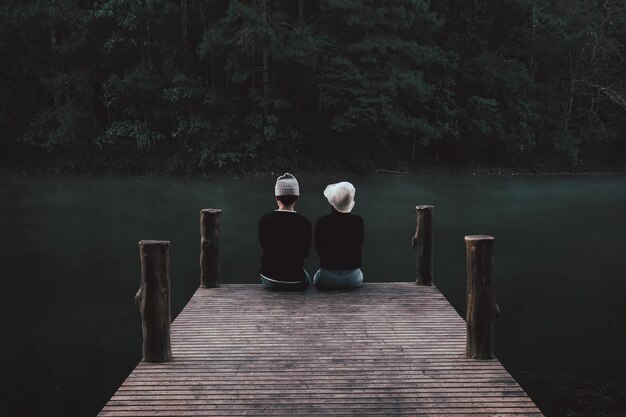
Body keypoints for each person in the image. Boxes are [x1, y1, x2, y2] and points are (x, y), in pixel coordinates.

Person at [258, 173, 312, 290]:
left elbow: (263, 245)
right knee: (308, 277)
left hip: (268, 278)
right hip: (295, 280)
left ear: (276, 197)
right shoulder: (305, 223)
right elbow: (305, 253)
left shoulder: (265, 219)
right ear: (297, 197)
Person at [313, 181, 364, 289]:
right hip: (352, 279)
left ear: (332, 202)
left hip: (327, 278)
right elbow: (359, 244)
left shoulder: (322, 222)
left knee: (314, 277)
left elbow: (319, 250)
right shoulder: (358, 221)